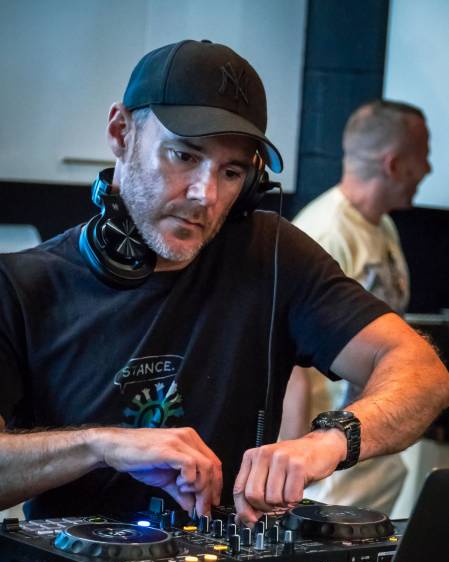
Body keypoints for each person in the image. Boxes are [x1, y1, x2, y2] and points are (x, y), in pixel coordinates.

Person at [0, 42, 448, 526]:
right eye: (183, 155)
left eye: (231, 172)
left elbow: (424, 374)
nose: (205, 194)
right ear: (120, 131)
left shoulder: (273, 254)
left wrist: (330, 440)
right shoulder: (23, 285)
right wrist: (100, 445)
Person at [283, 99, 432, 513]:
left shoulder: (382, 226)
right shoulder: (323, 234)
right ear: (394, 164)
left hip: (368, 458)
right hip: (327, 476)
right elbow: (289, 365)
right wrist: (292, 473)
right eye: (423, 156)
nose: (428, 169)